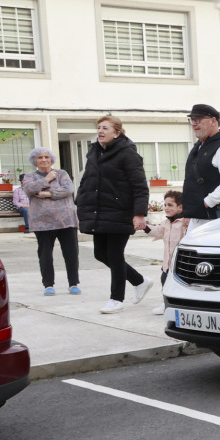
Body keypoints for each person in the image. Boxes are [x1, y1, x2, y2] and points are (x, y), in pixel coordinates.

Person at [75, 115, 151, 314]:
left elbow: (140, 186)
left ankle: (116, 299)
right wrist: (80, 203)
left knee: (115, 254)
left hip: (120, 211)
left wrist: (140, 213)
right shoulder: (94, 153)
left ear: (117, 132)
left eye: (105, 128)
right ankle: (139, 281)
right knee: (100, 254)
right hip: (99, 212)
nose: (100, 131)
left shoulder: (127, 154)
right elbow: (87, 182)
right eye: (99, 127)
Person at [22, 147, 81, 296]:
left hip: (66, 220)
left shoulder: (61, 174)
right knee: (45, 254)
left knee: (71, 253)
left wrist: (45, 193)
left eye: (46, 157)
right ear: (35, 161)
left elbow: (68, 190)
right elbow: (29, 189)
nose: (43, 160)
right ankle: (48, 285)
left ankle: (73, 283)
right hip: (43, 222)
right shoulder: (30, 176)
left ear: (51, 159)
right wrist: (46, 179)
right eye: (40, 157)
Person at [182, 104, 220, 231]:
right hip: (199, 217)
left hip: (216, 218)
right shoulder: (200, 146)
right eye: (192, 120)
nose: (194, 124)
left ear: (213, 121)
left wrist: (207, 202)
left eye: (198, 119)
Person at [144, 190, 188, 316]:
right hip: (167, 263)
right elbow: (157, 232)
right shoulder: (165, 223)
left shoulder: (184, 223)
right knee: (164, 281)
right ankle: (166, 304)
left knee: (181, 284)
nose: (166, 208)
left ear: (180, 207)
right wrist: (145, 227)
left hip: (180, 263)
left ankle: (182, 304)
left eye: (170, 205)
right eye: (165, 205)